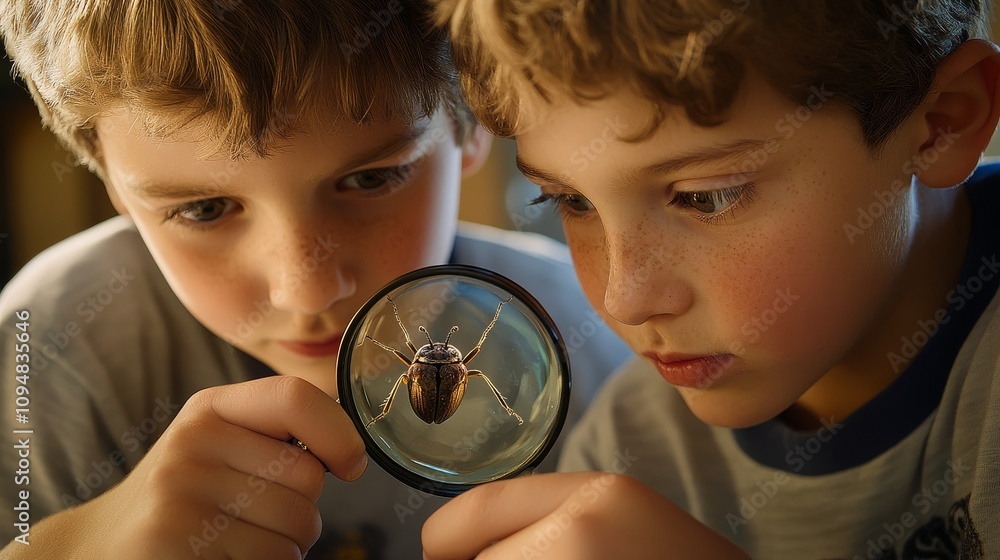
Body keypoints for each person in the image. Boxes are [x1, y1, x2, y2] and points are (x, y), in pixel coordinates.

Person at [0, 1, 632, 557]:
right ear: (111, 185)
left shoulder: (595, 341)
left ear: (470, 127)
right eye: (203, 209)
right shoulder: (49, 346)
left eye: (370, 178)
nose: (305, 291)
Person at [423, 1, 1000, 558]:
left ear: (940, 125)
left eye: (707, 196)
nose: (624, 299)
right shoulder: (626, 447)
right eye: (571, 201)